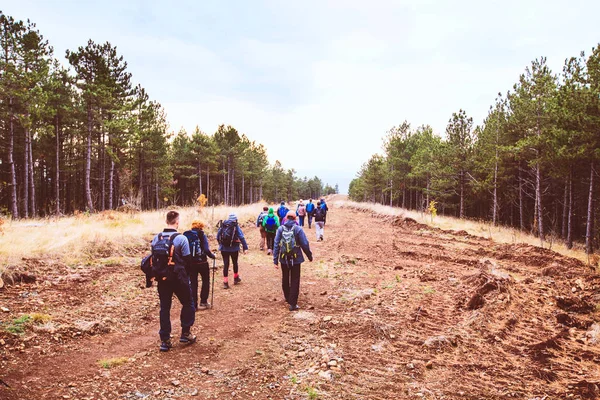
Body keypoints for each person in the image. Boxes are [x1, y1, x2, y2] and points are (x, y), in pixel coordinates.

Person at [151, 210, 196, 352]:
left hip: (162, 278)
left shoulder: (156, 238)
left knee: (165, 308)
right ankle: (185, 333)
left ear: (166, 221)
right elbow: (188, 260)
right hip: (178, 277)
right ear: (177, 222)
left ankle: (165, 340)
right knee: (188, 303)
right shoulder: (181, 239)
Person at [273, 211, 313, 311]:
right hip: (296, 258)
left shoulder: (280, 229)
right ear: (295, 219)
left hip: (283, 258)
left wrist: (275, 260)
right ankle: (293, 304)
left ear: (286, 218)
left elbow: (276, 244)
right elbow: (304, 244)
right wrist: (309, 256)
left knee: (285, 277)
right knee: (295, 279)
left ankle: (287, 297)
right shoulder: (298, 229)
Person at [183, 220, 216, 311]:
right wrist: (212, 256)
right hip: (202, 262)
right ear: (201, 226)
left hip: (191, 263)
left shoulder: (186, 235)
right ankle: (204, 301)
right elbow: (206, 249)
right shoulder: (202, 234)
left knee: (193, 283)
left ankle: (194, 305)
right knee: (205, 281)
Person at [217, 213, 248, 289]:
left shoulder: (223, 225)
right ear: (235, 219)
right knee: (235, 263)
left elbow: (217, 236)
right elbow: (241, 237)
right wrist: (245, 247)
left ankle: (225, 282)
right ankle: (235, 278)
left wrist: (221, 244)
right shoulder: (235, 226)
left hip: (224, 249)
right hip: (234, 248)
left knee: (226, 264)